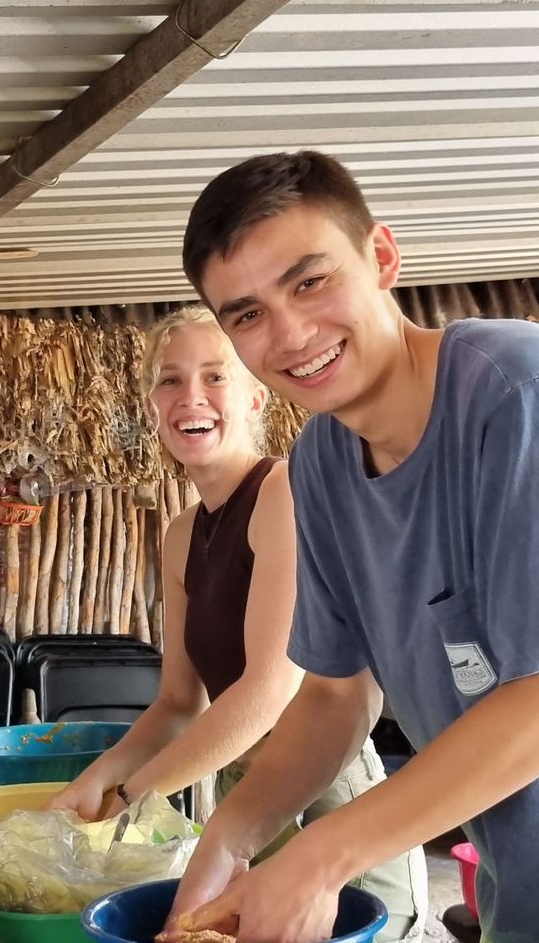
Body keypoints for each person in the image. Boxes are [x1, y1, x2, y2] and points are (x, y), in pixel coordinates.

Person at [165, 150, 539, 943]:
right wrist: (229, 840)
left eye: (310, 282)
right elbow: (337, 695)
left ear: (381, 257)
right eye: (247, 314)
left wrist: (324, 857)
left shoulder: (516, 394)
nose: (292, 334)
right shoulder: (322, 466)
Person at [48, 306, 424, 942]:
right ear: (151, 405)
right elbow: (176, 704)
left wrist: (129, 798)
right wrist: (95, 780)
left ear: (256, 397)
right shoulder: (179, 535)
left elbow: (269, 691)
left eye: (215, 376)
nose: (189, 396)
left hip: (326, 796)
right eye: (169, 380)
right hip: (240, 796)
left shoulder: (283, 491)